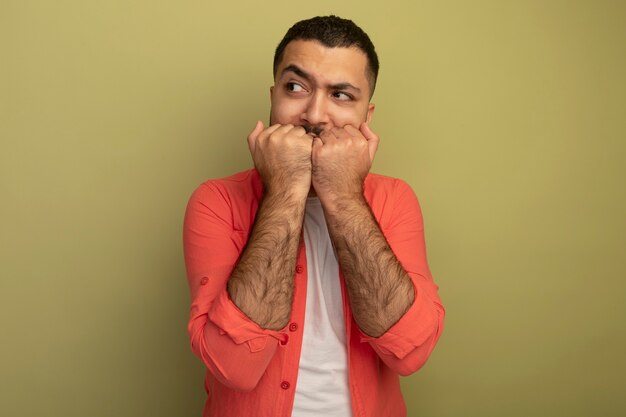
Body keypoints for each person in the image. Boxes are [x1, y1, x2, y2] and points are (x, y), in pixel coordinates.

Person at [183, 15, 445, 417]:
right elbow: (235, 365)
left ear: (366, 116)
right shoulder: (216, 200)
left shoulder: (396, 199)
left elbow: (409, 353)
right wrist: (286, 190)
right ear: (272, 96)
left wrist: (341, 195)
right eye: (296, 87)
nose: (315, 115)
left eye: (341, 95)